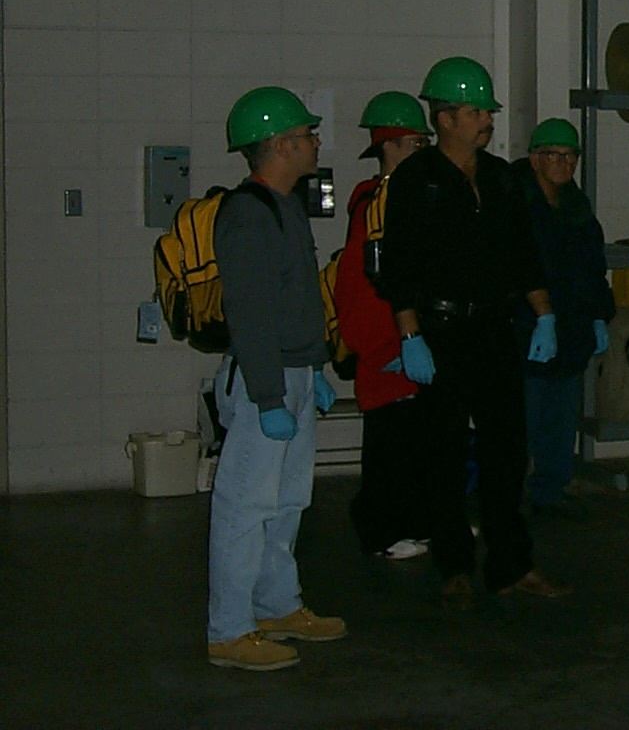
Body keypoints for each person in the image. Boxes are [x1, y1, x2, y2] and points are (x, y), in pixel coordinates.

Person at [375, 56, 570, 609]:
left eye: (487, 110)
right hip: (439, 329)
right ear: (444, 118)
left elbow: (521, 253)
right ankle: (454, 565)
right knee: (443, 451)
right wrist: (410, 335)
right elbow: (401, 267)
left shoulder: (503, 178)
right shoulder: (417, 180)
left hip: (492, 327)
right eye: (476, 110)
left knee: (507, 450)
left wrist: (545, 313)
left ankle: (512, 565)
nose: (486, 119)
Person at [207, 86, 346, 671]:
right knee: (245, 505)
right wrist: (267, 394)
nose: (315, 142)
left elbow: (295, 300)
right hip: (264, 380)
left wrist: (312, 367)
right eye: (307, 135)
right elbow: (251, 312)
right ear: (282, 144)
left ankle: (276, 605)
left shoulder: (286, 205)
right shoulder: (247, 214)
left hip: (291, 374)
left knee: (286, 500)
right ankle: (228, 630)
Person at [336, 91, 434, 560]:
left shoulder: (404, 201)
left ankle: (417, 522)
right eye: (414, 143)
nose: (421, 151)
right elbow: (361, 289)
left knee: (416, 444)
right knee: (388, 447)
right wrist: (380, 347)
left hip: (409, 341)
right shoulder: (375, 208)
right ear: (388, 145)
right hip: (385, 345)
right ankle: (381, 532)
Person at [511, 118, 616, 517]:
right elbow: (519, 265)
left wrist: (598, 316)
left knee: (560, 417)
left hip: (571, 330)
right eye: (553, 154)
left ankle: (550, 489)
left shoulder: (576, 208)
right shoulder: (516, 201)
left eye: (569, 155)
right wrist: (540, 318)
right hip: (527, 330)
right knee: (524, 419)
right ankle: (508, 496)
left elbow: (591, 267)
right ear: (535, 158)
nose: (563, 163)